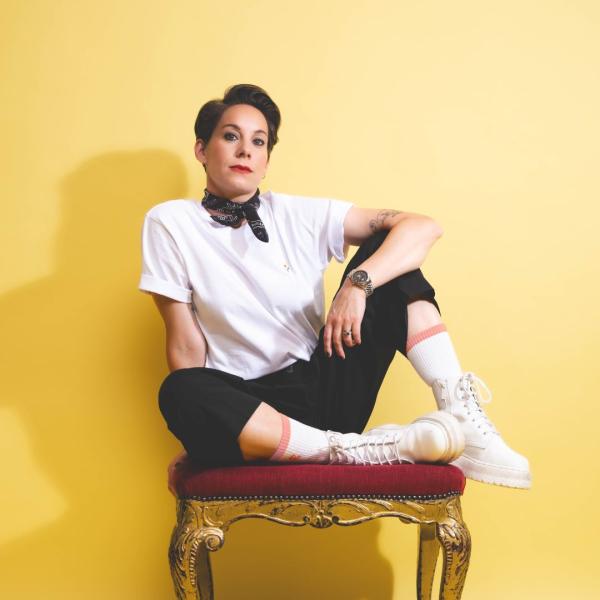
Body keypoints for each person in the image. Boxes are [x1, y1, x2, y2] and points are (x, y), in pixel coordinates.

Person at [138, 83, 531, 488]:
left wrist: (358, 285)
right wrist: (204, 428)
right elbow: (185, 346)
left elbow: (424, 228)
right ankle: (354, 449)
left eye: (259, 141)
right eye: (231, 136)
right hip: (249, 408)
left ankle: (464, 420)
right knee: (180, 389)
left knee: (388, 254)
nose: (245, 151)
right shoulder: (170, 223)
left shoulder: (297, 214)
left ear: (267, 160)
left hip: (323, 389)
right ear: (202, 150)